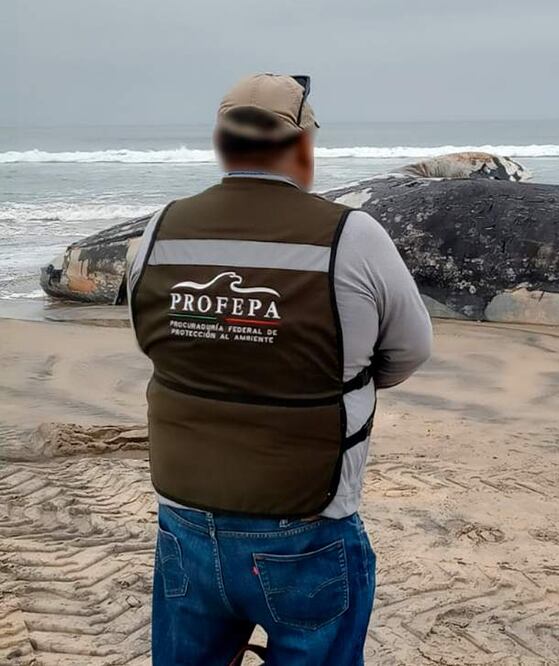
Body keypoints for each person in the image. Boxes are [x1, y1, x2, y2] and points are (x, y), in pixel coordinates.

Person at [126, 73, 433, 665]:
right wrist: (330, 379)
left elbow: (156, 345)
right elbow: (410, 351)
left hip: (185, 524)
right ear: (301, 146)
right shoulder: (353, 236)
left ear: (222, 144)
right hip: (307, 526)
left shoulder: (159, 230)